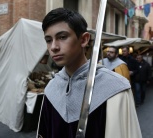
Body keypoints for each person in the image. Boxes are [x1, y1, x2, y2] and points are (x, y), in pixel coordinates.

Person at [36, 8, 142, 138]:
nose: (53, 47)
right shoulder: (51, 88)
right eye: (48, 40)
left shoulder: (115, 88)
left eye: (62, 37)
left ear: (84, 40)